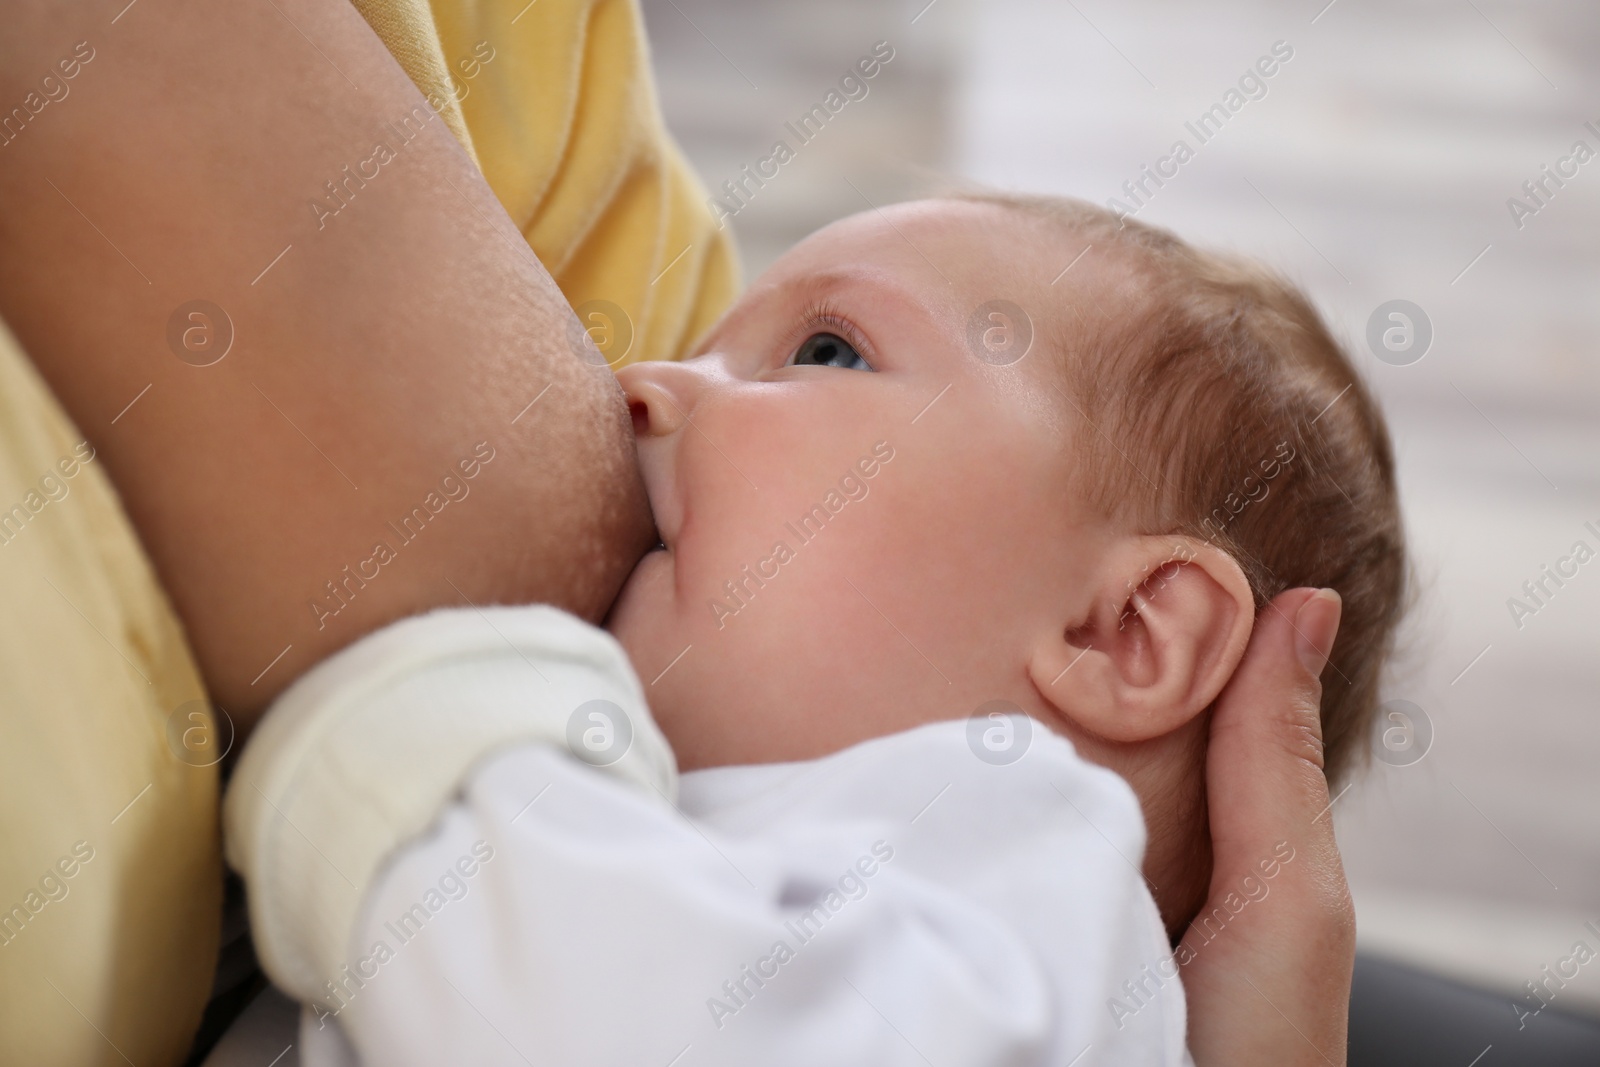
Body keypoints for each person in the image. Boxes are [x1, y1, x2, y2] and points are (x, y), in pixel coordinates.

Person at [0, 4, 1366, 1062]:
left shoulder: (1020, 882)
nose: (643, 391)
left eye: (826, 355)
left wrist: (420, 730)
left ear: (1122, 634)